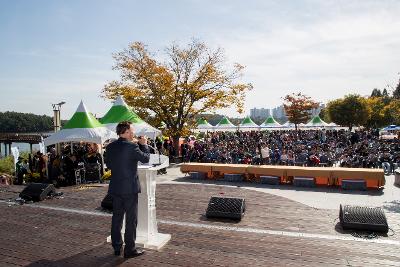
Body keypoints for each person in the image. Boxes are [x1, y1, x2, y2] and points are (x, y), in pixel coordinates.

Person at [105, 121, 150, 258]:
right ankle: (129, 249)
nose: (133, 134)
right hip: (129, 189)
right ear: (125, 132)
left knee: (117, 218)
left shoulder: (110, 146)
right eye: (131, 131)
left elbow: (109, 164)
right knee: (131, 220)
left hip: (116, 187)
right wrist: (144, 145)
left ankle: (117, 247)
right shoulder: (132, 146)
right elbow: (146, 159)